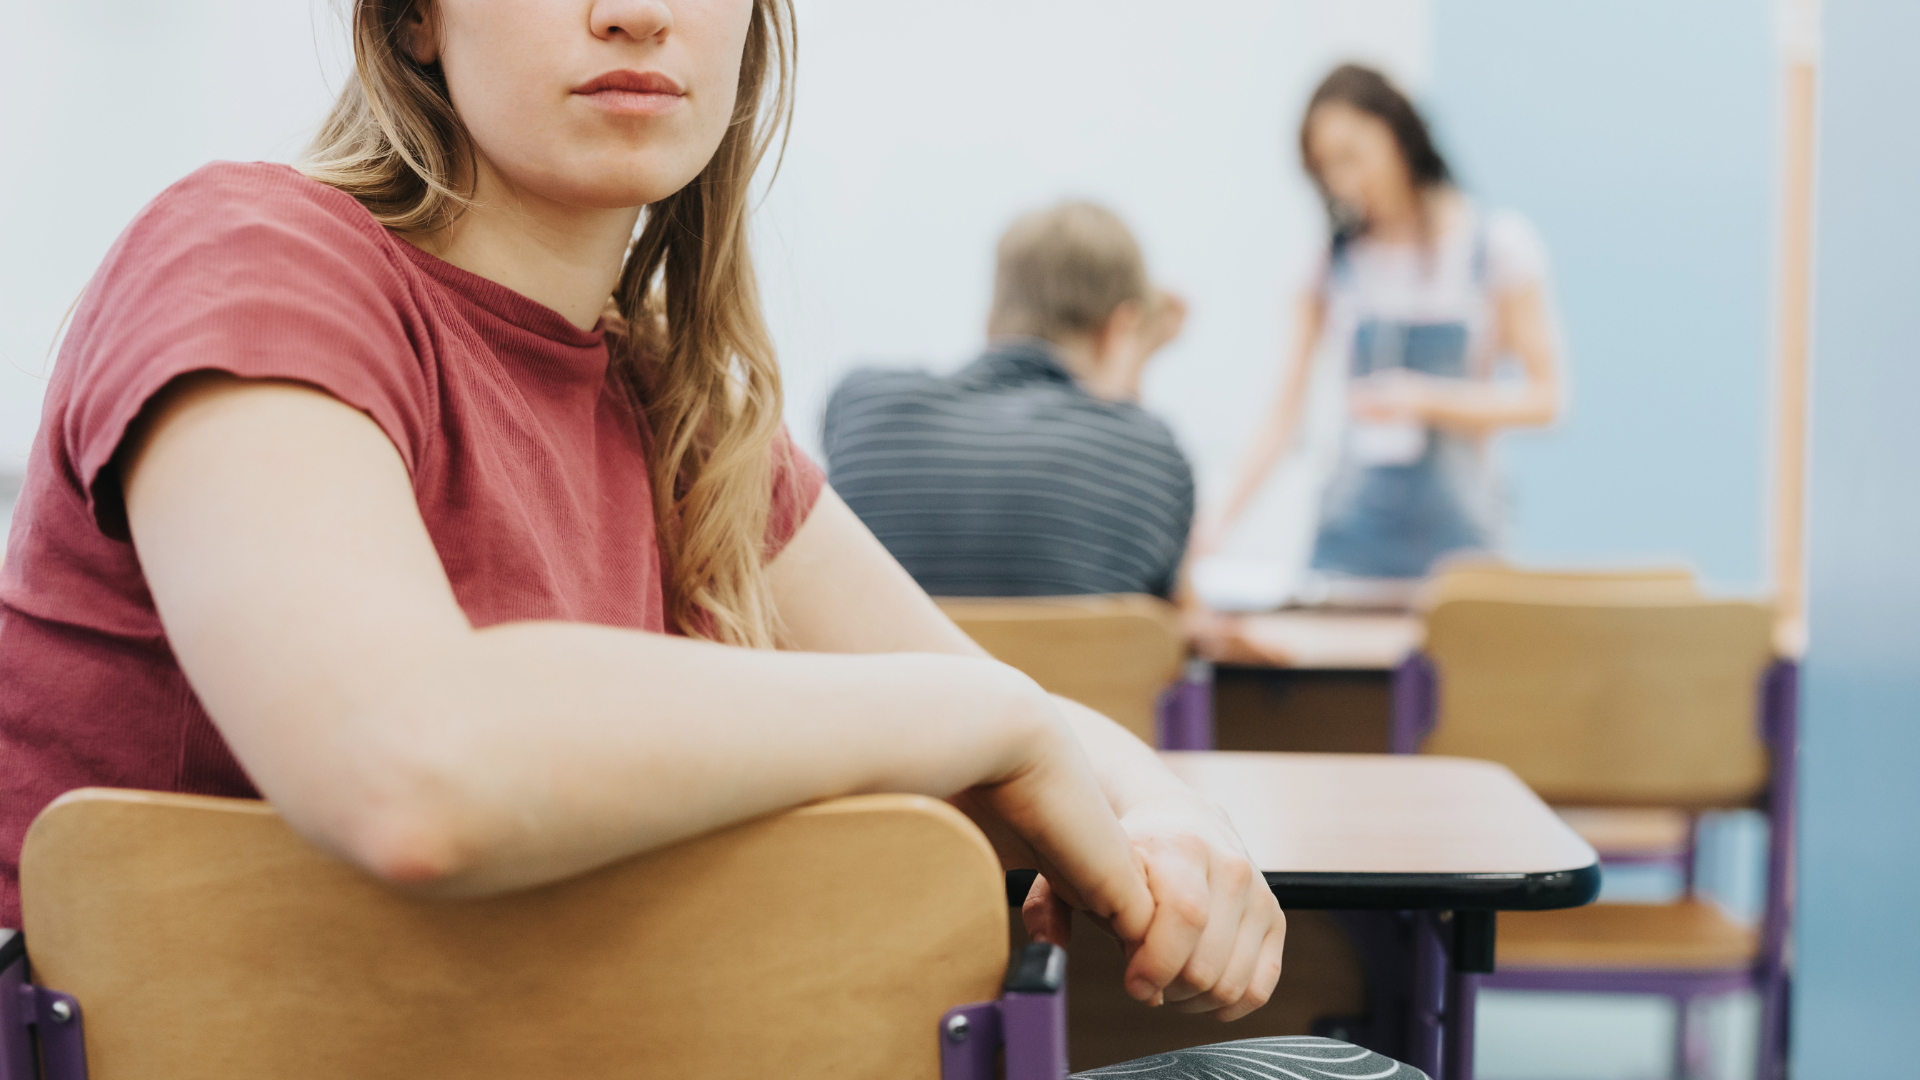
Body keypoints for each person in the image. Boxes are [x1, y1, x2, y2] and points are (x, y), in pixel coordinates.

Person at [0, 0, 1288, 1028]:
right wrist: (985, 722)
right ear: (410, 19)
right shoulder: (248, 257)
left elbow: (1017, 712)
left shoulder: (684, 413)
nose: (633, 12)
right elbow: (405, 765)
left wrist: (1169, 814)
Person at [1198, 65, 1563, 584]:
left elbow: (1546, 399)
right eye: (1326, 168)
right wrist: (1215, 525)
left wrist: (1425, 399)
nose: (1344, 182)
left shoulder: (1497, 249)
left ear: (1396, 131)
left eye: (1352, 156)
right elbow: (1284, 416)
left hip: (1462, 548)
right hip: (1350, 547)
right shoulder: (1329, 266)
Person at [822, 202, 1194, 598]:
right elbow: (1173, 620)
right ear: (1118, 329)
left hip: (892, 659)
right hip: (1050, 663)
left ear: (990, 319)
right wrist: (1129, 370)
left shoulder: (859, 404)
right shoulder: (1152, 453)